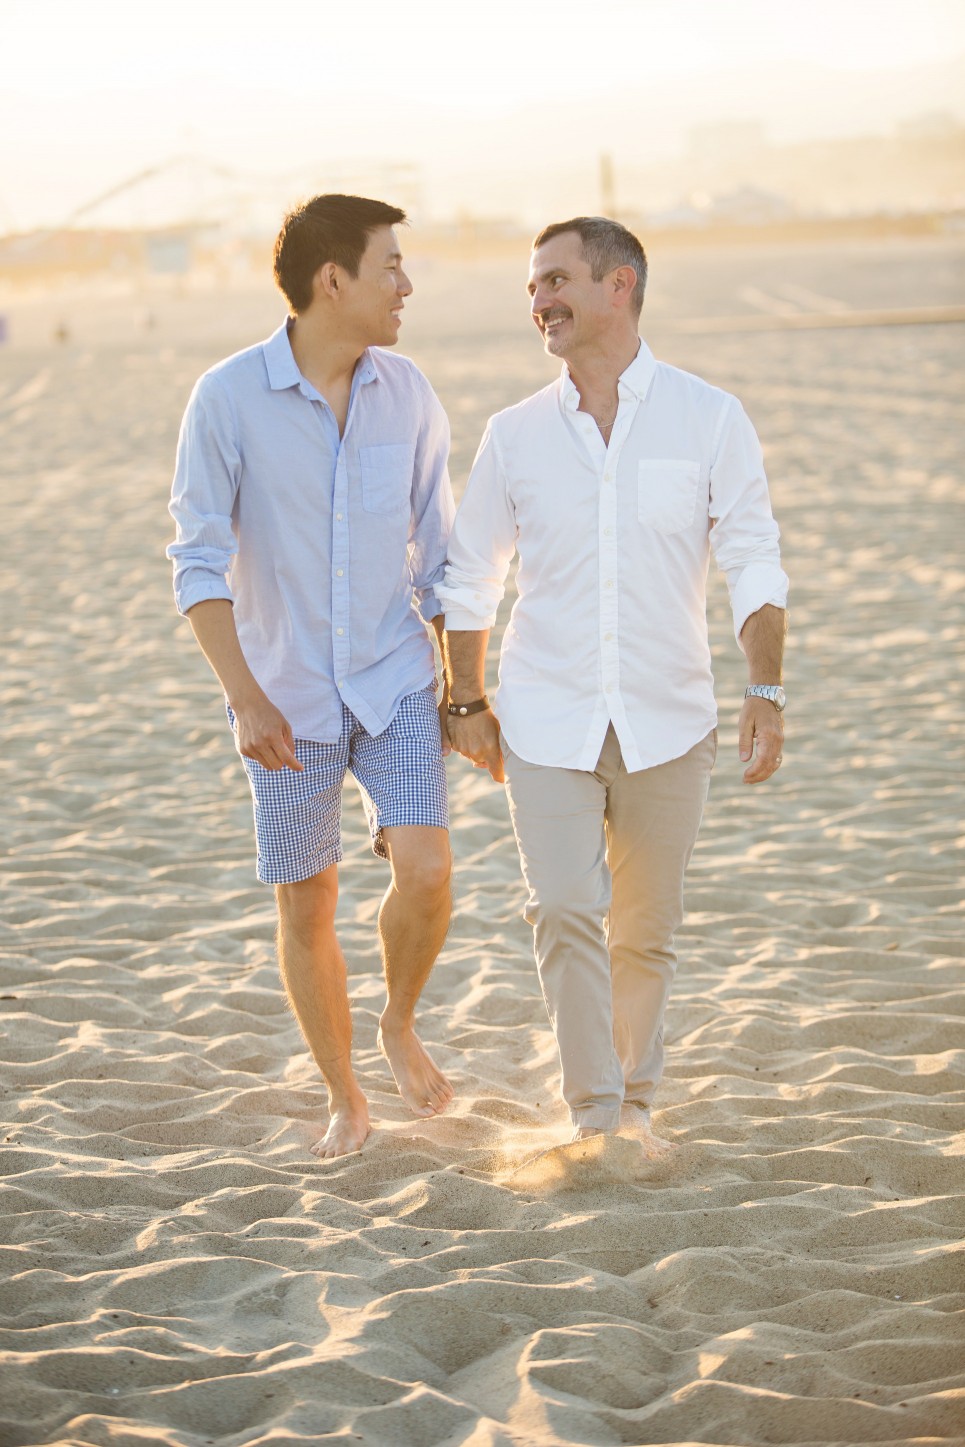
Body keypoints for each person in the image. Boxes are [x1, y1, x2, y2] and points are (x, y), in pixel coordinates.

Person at [440, 216, 788, 1148]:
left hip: (670, 716)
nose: (538, 300)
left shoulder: (707, 417)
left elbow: (752, 555)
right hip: (544, 715)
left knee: (644, 930)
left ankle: (634, 1101)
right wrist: (465, 699)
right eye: (530, 287)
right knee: (560, 908)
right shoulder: (513, 435)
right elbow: (470, 573)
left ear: (618, 284)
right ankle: (592, 1111)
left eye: (554, 281)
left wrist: (767, 687)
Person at [167, 194, 455, 1160]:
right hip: (284, 694)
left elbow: (441, 557)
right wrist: (243, 695)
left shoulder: (407, 391)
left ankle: (398, 1020)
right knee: (309, 903)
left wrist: (462, 693)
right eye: (390, 267)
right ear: (333, 282)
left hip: (393, 677)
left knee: (424, 867)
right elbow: (196, 563)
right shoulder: (226, 398)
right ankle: (345, 1095)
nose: (406, 284)